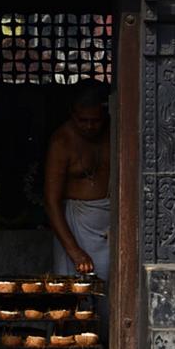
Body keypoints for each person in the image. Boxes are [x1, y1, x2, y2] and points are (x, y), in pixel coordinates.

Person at [44, 80, 110, 281]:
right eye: (83, 120)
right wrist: (74, 250)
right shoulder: (62, 142)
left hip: (110, 226)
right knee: (77, 293)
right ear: (73, 114)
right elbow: (51, 202)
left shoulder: (114, 133)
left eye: (95, 120)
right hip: (76, 228)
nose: (90, 126)